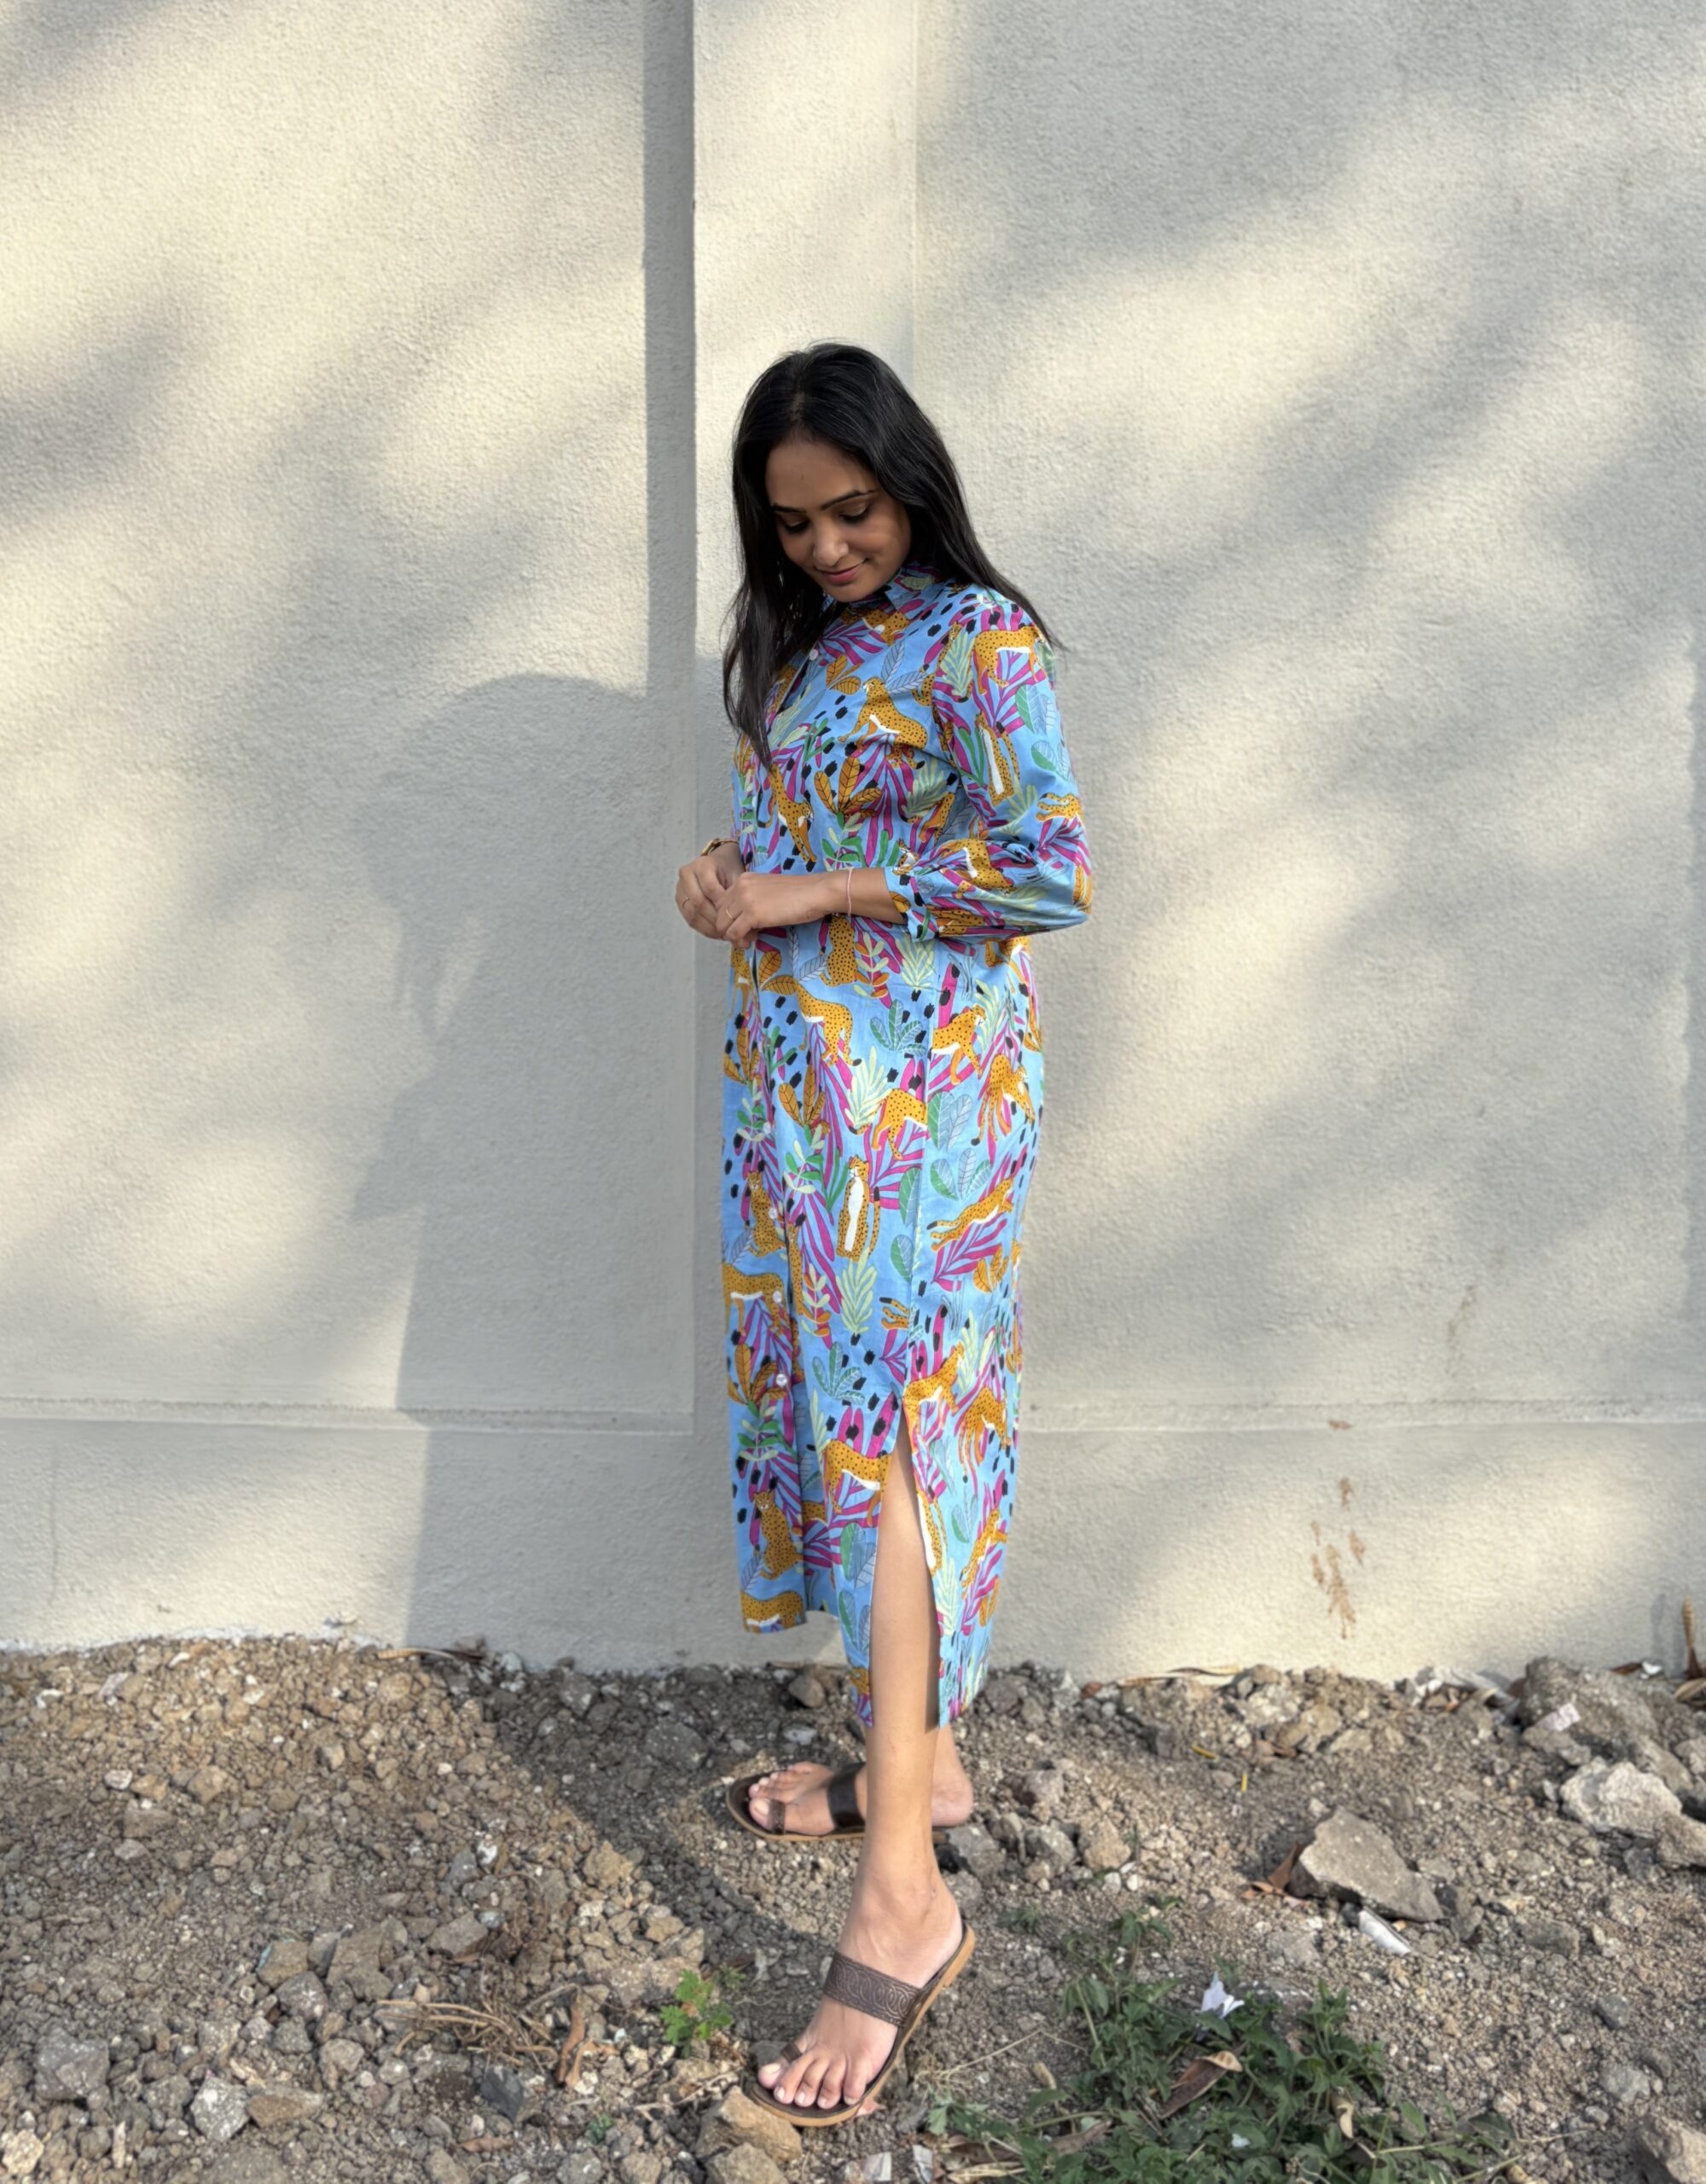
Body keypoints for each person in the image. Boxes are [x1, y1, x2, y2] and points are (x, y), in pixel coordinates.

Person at [674, 340, 1094, 2125]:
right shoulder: (812, 647)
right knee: (846, 1421)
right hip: (801, 1093)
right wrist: (723, 881)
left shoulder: (981, 641)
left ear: (909, 481)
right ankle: (918, 1763)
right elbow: (802, 840)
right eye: (793, 524)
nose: (828, 547)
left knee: (902, 1441)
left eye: (852, 510)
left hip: (921, 1108)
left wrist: (818, 888)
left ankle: (903, 1898)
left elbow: (1048, 868)